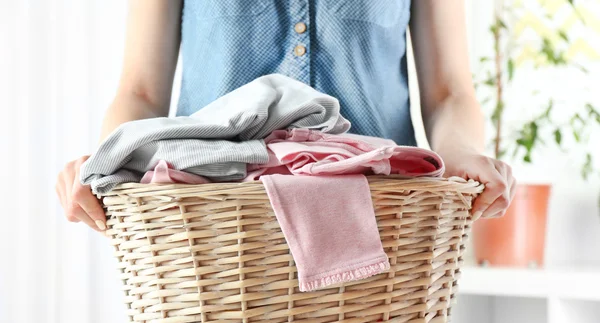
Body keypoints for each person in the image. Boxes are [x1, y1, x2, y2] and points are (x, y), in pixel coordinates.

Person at [55, 0, 515, 232]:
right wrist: (107, 159)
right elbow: (140, 90)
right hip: (212, 225)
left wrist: (461, 153)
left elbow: (449, 90)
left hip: (380, 218)